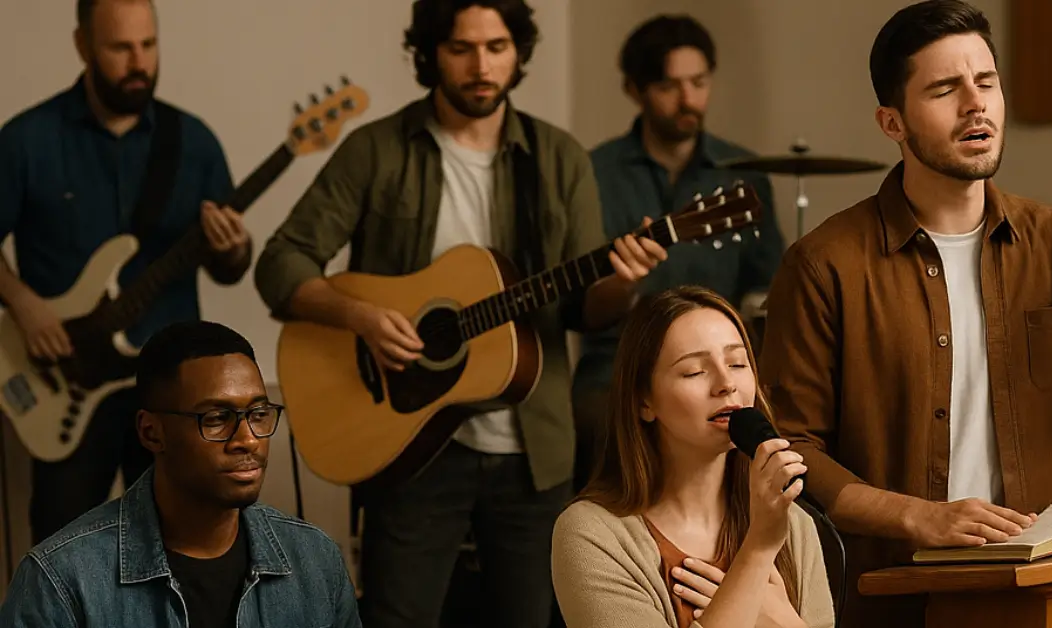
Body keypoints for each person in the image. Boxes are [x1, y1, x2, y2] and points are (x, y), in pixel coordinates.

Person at [757, 1, 1052, 626]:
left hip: (1041, 593)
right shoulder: (824, 264)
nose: (975, 104)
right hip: (894, 596)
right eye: (944, 89)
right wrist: (917, 515)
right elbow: (792, 449)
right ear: (892, 121)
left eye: (986, 82)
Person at [253, 1, 666, 625]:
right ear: (430, 53)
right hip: (410, 441)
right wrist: (360, 316)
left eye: (497, 47)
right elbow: (281, 264)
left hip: (533, 448)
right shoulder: (379, 150)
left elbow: (588, 309)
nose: (481, 66)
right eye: (461, 48)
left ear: (518, 52)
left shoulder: (559, 159)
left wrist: (625, 281)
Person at [0, 0, 252, 543]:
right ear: (82, 46)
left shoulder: (194, 142)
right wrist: (22, 302)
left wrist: (234, 249)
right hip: (68, 384)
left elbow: (229, 268)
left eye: (148, 45)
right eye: (120, 47)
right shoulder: (26, 140)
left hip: (172, 391)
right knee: (62, 552)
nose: (139, 61)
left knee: (179, 545)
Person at [0, 320, 360, 627]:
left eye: (258, 413)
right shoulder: (61, 580)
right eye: (217, 419)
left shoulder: (315, 560)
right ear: (151, 432)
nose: (248, 439)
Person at [571, 14, 784, 492]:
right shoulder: (593, 172)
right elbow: (582, 310)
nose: (689, 99)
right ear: (635, 89)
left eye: (699, 82)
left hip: (714, 361)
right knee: (594, 418)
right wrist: (623, 283)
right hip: (617, 366)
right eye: (670, 86)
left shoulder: (742, 175)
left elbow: (764, 284)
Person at [553, 286, 834, 628]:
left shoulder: (792, 523)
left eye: (737, 363)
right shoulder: (591, 535)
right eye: (694, 372)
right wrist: (758, 551)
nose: (726, 383)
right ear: (644, 401)